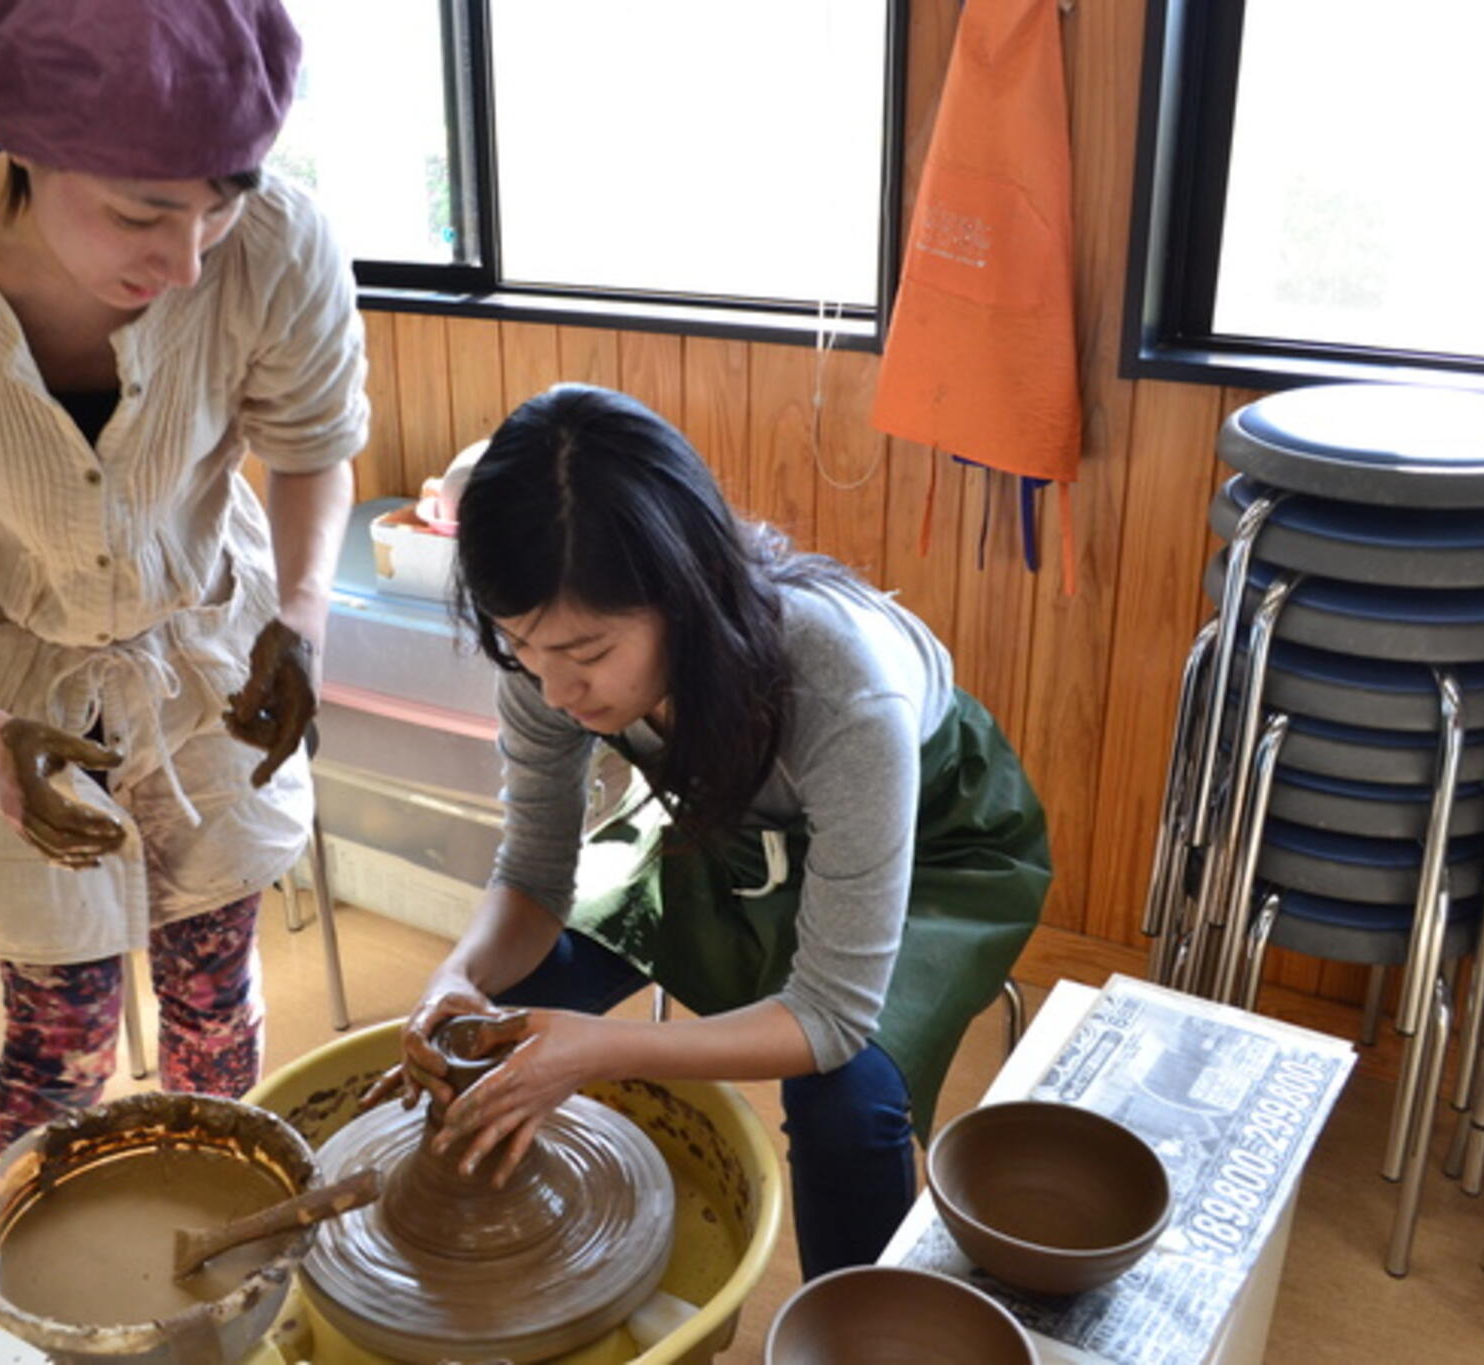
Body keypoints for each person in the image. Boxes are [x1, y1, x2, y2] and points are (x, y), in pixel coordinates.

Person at [0, 0, 366, 1162]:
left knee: (214, 988)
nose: (186, 257)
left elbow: (309, 445)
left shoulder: (280, 242)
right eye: (143, 212)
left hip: (208, 637)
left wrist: (299, 618)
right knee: (64, 1026)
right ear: (23, 153)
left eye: (221, 201)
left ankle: (215, 1236)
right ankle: (42, 1314)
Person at [384, 384, 1050, 1277]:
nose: (554, 691)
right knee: (505, 1010)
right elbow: (535, 878)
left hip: (937, 840)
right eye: (518, 648)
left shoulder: (842, 686)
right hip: (724, 816)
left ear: (686, 595)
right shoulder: (548, 658)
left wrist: (597, 1051)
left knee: (844, 1100)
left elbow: (831, 1015)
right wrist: (455, 976)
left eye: (585, 656)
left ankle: (858, 1329)